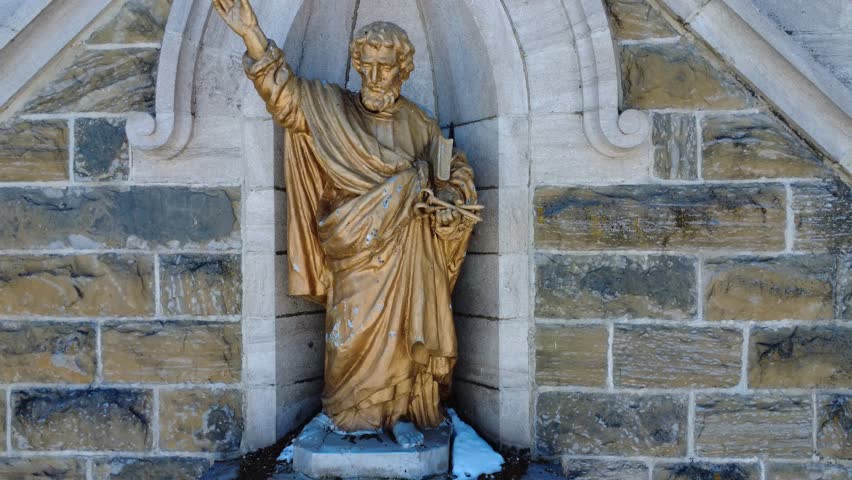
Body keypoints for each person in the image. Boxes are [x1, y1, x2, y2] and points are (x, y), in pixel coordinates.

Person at [212, 0, 480, 447]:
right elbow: (286, 97)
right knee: (349, 335)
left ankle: (400, 414)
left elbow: (454, 171)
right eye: (367, 65)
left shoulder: (420, 123)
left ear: (403, 68)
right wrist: (252, 35)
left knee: (404, 334)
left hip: (407, 252)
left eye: (385, 66)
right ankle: (344, 411)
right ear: (357, 64)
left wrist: (450, 198)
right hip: (353, 247)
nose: (375, 76)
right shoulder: (332, 110)